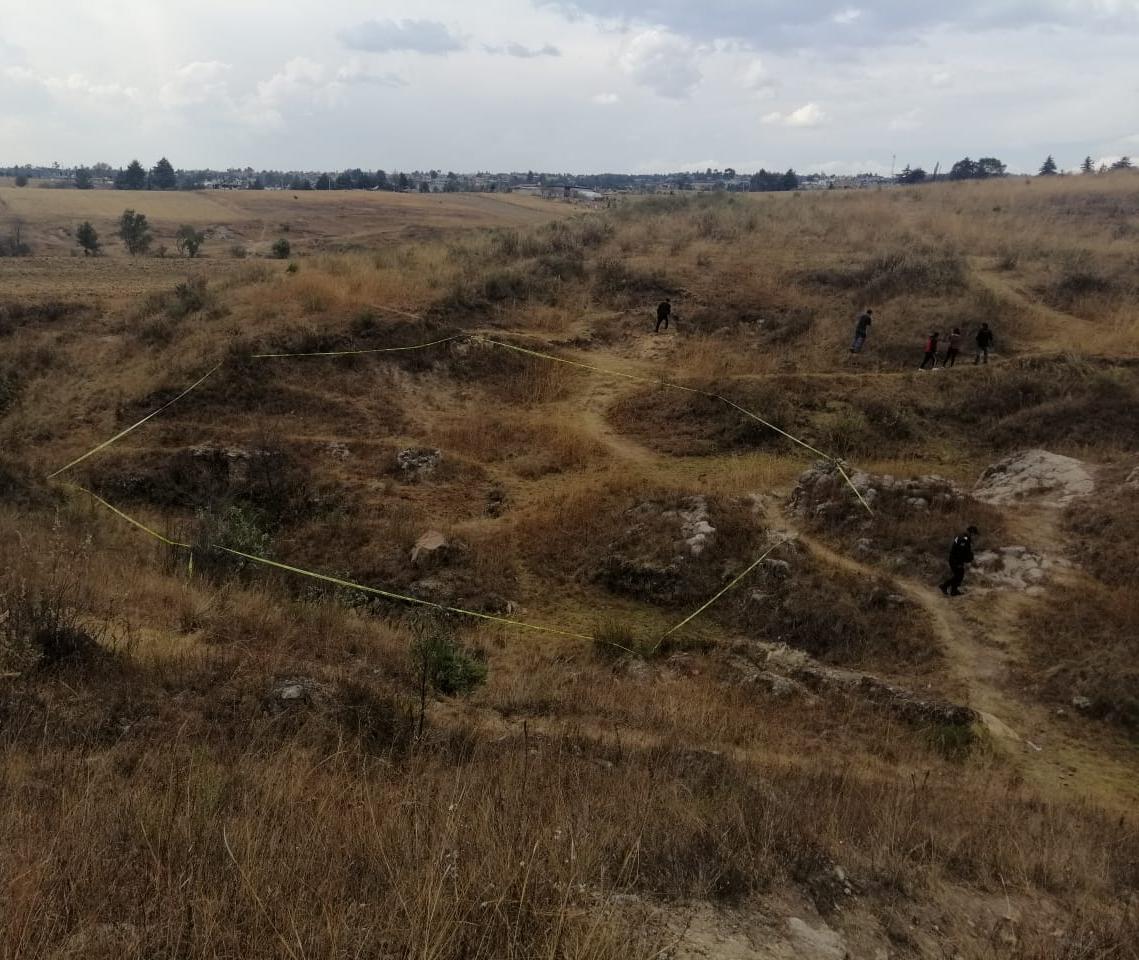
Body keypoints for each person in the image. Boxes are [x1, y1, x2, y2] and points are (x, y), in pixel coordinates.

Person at [939, 526, 979, 596]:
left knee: (959, 575)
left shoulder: (961, 536)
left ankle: (953, 591)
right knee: (959, 575)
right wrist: (960, 561)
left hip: (955, 559)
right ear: (971, 533)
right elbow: (960, 551)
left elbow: (961, 550)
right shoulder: (964, 539)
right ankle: (944, 586)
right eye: (974, 534)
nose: (975, 537)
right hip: (956, 560)